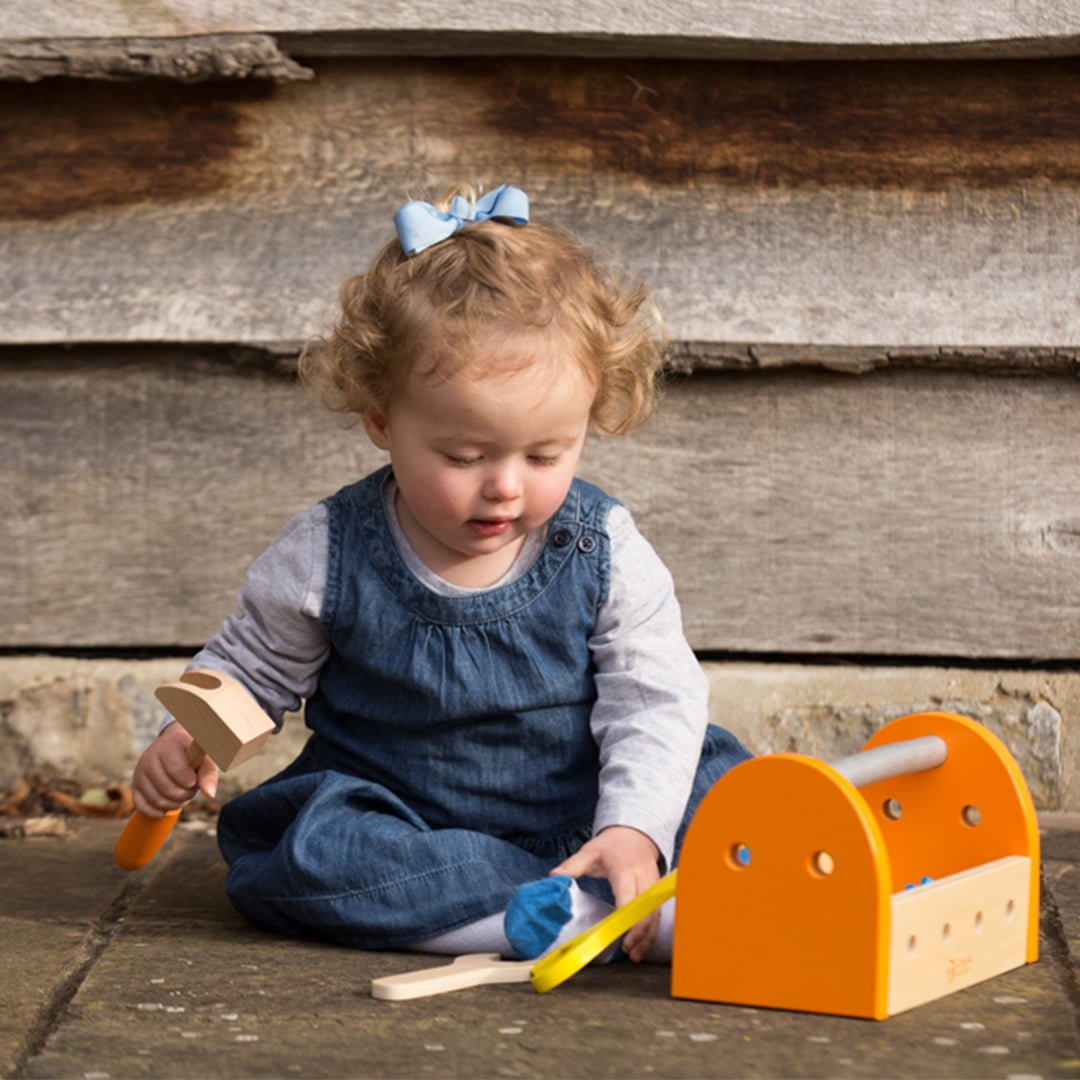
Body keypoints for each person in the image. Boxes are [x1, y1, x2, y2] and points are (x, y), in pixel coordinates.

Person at [130, 184, 750, 965]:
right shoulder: (330, 548)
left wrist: (632, 826)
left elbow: (653, 693)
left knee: (723, 786)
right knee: (317, 850)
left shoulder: (602, 546)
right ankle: (572, 918)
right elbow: (253, 666)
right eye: (465, 456)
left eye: (546, 454)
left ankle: (631, 881)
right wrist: (191, 733)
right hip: (409, 822)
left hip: (588, 805)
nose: (506, 486)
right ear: (383, 422)